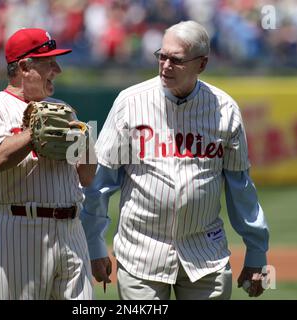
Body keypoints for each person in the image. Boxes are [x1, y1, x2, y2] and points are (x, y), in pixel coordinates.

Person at [80, 20, 269, 300]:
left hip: (206, 255)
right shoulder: (129, 103)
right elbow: (101, 184)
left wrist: (256, 251)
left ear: (201, 64)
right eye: (162, 56)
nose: (166, 65)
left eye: (176, 60)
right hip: (141, 254)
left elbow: (240, 188)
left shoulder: (225, 109)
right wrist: (94, 246)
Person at [0, 28, 96, 300]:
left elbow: (86, 177)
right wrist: (34, 132)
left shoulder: (63, 108)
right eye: (49, 62)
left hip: (72, 230)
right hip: (22, 231)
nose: (57, 69)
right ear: (25, 67)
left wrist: (87, 145)